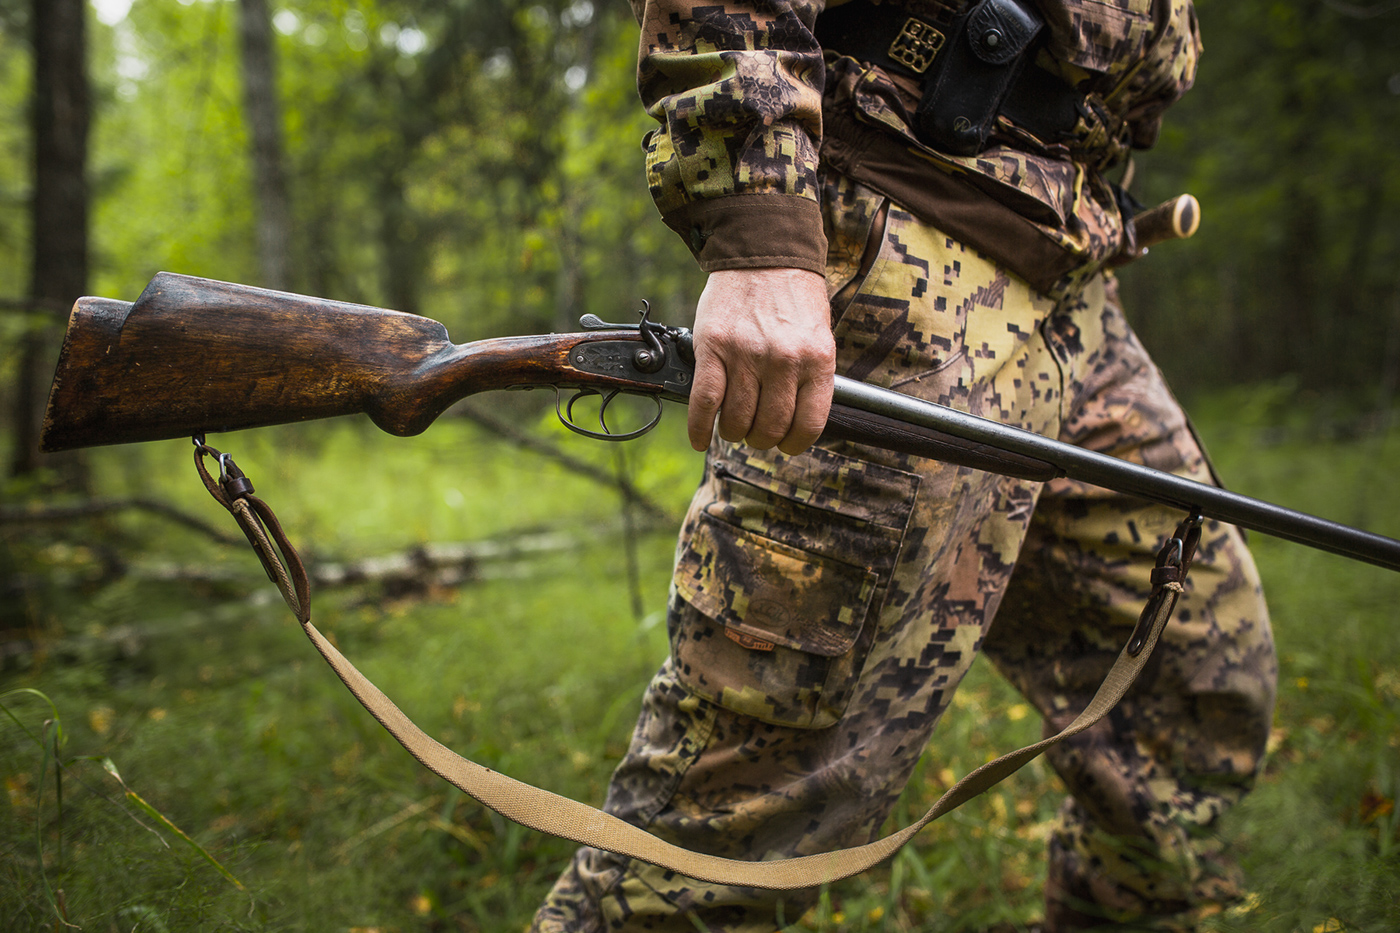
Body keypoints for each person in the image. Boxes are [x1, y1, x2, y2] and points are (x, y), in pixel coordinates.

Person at [532, 0, 1278, 929]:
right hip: (898, 261)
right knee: (740, 822)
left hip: (1077, 284)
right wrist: (762, 235)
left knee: (1195, 688)